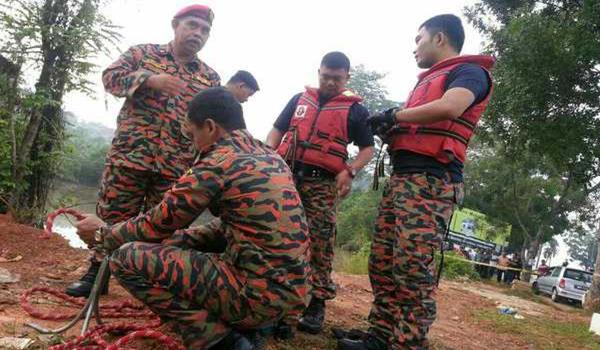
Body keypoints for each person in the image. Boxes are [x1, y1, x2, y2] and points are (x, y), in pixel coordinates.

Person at [72, 87, 310, 349]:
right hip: (290, 297)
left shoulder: (218, 162)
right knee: (173, 246)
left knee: (126, 258)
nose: (192, 143)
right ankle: (251, 325)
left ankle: (218, 340)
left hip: (256, 297)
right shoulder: (271, 158)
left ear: (209, 127)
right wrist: (180, 239)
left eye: (192, 134)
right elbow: (229, 227)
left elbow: (155, 224)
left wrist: (102, 234)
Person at [337, 14, 494, 350]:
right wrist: (391, 128)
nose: (414, 48)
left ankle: (407, 342)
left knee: (411, 268)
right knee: (382, 262)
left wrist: (395, 115)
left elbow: (452, 108)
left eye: (418, 39)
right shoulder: (426, 82)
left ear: (440, 38)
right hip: (403, 180)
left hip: (431, 183)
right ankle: (380, 336)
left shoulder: (469, 73)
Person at [65, 4, 221, 298]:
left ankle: (150, 285)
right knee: (112, 216)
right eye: (192, 25)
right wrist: (147, 80)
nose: (198, 33)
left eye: (204, 30)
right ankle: (97, 274)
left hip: (175, 165)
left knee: (160, 228)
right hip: (130, 157)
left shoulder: (209, 78)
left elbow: (214, 123)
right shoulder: (143, 54)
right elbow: (110, 77)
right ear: (176, 25)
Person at [266, 52, 375, 335]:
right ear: (319, 72)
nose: (329, 82)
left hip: (322, 185)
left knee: (320, 243)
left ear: (346, 78)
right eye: (325, 76)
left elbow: (367, 149)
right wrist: (269, 157)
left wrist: (349, 171)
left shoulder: (355, 110)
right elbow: (276, 131)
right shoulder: (298, 100)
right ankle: (275, 302)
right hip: (286, 179)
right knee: (278, 237)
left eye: (336, 79)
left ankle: (316, 304)